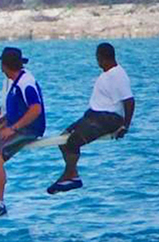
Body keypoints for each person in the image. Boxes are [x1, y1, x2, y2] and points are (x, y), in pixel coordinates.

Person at [48, 42, 135, 194]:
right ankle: (72, 174)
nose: (97, 61)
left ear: (102, 58)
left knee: (73, 142)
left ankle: (70, 176)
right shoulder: (106, 74)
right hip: (94, 115)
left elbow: (129, 101)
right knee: (63, 139)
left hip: (109, 118)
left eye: (97, 57)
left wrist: (125, 126)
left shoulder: (118, 75)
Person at [0, 47, 46, 220]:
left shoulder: (26, 82)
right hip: (19, 124)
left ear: (5, 65)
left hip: (30, 129)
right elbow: (17, 109)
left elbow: (35, 109)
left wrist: (13, 128)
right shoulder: (16, 81)